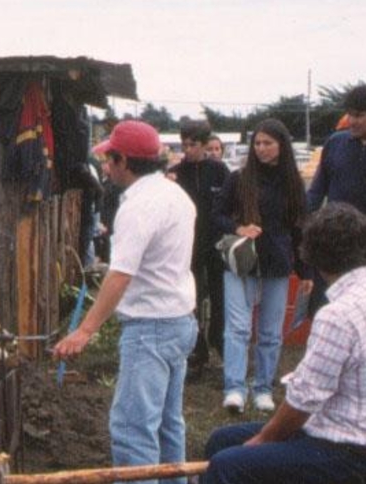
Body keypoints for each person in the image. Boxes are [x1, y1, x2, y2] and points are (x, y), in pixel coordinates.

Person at [203, 203, 366, 484]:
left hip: (353, 445)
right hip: (365, 430)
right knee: (223, 440)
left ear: (316, 256)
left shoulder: (338, 315)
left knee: (226, 465)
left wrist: (263, 440)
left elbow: (305, 399)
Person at [54, 120, 198, 484]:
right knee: (167, 424)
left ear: (125, 161)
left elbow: (120, 274)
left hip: (151, 327)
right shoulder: (174, 194)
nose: (104, 166)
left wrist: (84, 331)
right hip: (179, 319)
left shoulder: (139, 206)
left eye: (109, 159)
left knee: (132, 429)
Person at [213, 118, 310, 414]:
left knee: (270, 332)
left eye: (268, 143)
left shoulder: (293, 182)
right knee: (238, 329)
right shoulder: (239, 177)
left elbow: (299, 230)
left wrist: (305, 272)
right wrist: (237, 227)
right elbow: (216, 215)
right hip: (242, 262)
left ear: (281, 145)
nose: (261, 149)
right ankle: (234, 388)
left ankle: (263, 388)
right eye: (257, 143)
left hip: (278, 264)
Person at [170, 120, 230, 374]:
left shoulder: (219, 170)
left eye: (193, 144)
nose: (188, 149)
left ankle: (221, 341)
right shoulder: (175, 173)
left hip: (215, 244)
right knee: (190, 297)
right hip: (187, 245)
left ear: (205, 145)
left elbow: (230, 204)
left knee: (220, 296)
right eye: (184, 144)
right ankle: (197, 349)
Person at [307, 84, 366, 230]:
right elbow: (316, 192)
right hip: (336, 240)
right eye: (349, 114)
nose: (351, 121)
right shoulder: (334, 143)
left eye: (358, 115)